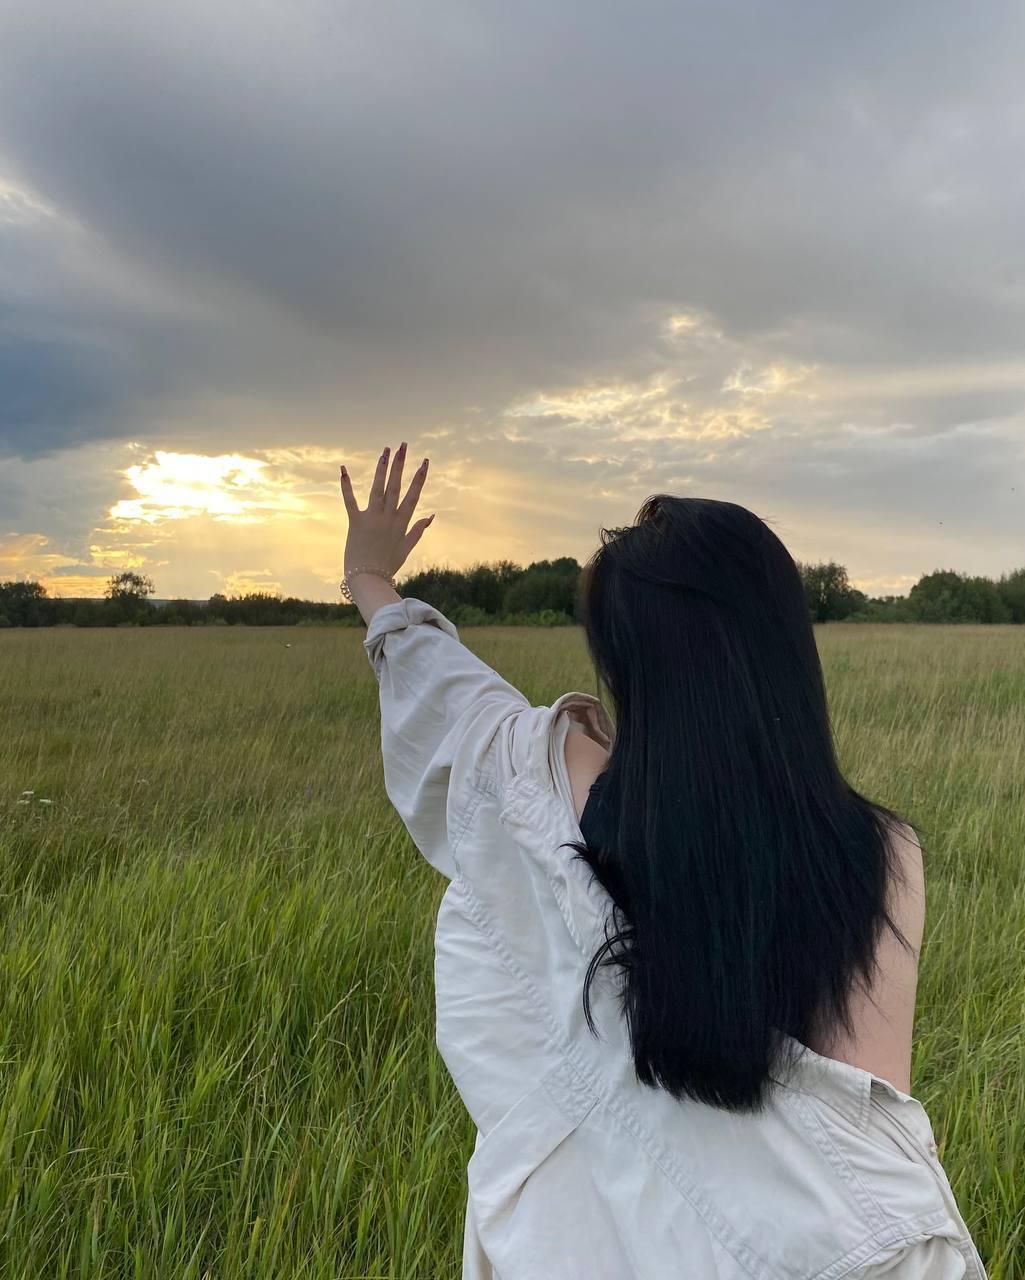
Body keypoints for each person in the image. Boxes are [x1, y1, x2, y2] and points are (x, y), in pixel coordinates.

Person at [339, 443, 989, 1279]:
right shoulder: (883, 852)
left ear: (625, 665)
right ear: (785, 644)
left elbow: (453, 699)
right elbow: (864, 1125)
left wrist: (369, 577)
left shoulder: (547, 786)